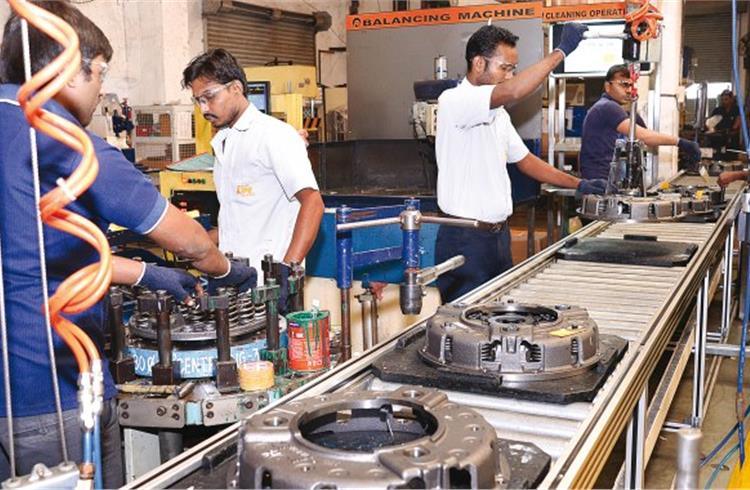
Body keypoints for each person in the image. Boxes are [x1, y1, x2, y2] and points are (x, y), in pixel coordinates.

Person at [0, 2, 254, 485]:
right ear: (71, 70)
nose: (100, 91)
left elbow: (29, 251)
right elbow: (189, 241)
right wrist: (223, 270)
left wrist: (144, 272)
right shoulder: (69, 145)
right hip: (49, 392)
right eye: (100, 73)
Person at [435, 23, 608, 303]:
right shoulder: (455, 100)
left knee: (498, 320)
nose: (510, 75)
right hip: (465, 239)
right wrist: (561, 52)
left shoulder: (498, 115)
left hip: (497, 237)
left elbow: (526, 161)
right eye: (505, 67)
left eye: (513, 69)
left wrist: (580, 184)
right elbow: (514, 91)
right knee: (465, 328)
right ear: (479, 63)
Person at [181, 49, 324, 312]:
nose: (203, 109)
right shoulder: (226, 142)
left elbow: (313, 204)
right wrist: (194, 242)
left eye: (209, 97)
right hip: (232, 279)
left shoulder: (274, 136)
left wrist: (286, 273)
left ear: (236, 88)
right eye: (198, 100)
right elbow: (240, 219)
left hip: (269, 283)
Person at [579, 64, 702, 181]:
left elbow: (643, 134)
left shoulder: (609, 107)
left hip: (602, 176)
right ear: (607, 86)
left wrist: (632, 113)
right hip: (599, 178)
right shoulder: (607, 107)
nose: (628, 90)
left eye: (630, 86)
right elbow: (644, 136)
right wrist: (680, 142)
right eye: (623, 85)